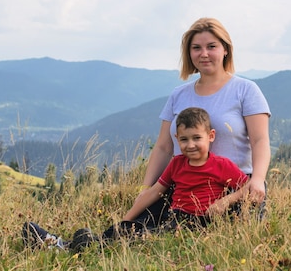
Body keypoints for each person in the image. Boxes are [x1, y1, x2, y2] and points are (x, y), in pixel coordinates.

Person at [23, 107, 250, 251]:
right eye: (184, 139)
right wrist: (125, 220)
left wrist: (225, 202)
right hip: (172, 218)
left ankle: (66, 246)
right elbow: (153, 193)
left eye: (196, 138)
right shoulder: (178, 163)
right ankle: (69, 245)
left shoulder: (221, 166)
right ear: (177, 139)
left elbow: (247, 187)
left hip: (197, 223)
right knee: (127, 232)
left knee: (139, 239)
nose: (190, 145)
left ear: (211, 136)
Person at [134, 17, 271, 228]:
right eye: (196, 48)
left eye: (211, 47)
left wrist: (258, 180)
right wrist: (145, 189)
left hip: (233, 187)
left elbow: (260, 140)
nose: (204, 54)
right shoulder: (179, 95)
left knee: (225, 237)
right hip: (182, 185)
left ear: (225, 50)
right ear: (189, 53)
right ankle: (78, 243)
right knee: (137, 230)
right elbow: (163, 146)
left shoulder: (246, 90)